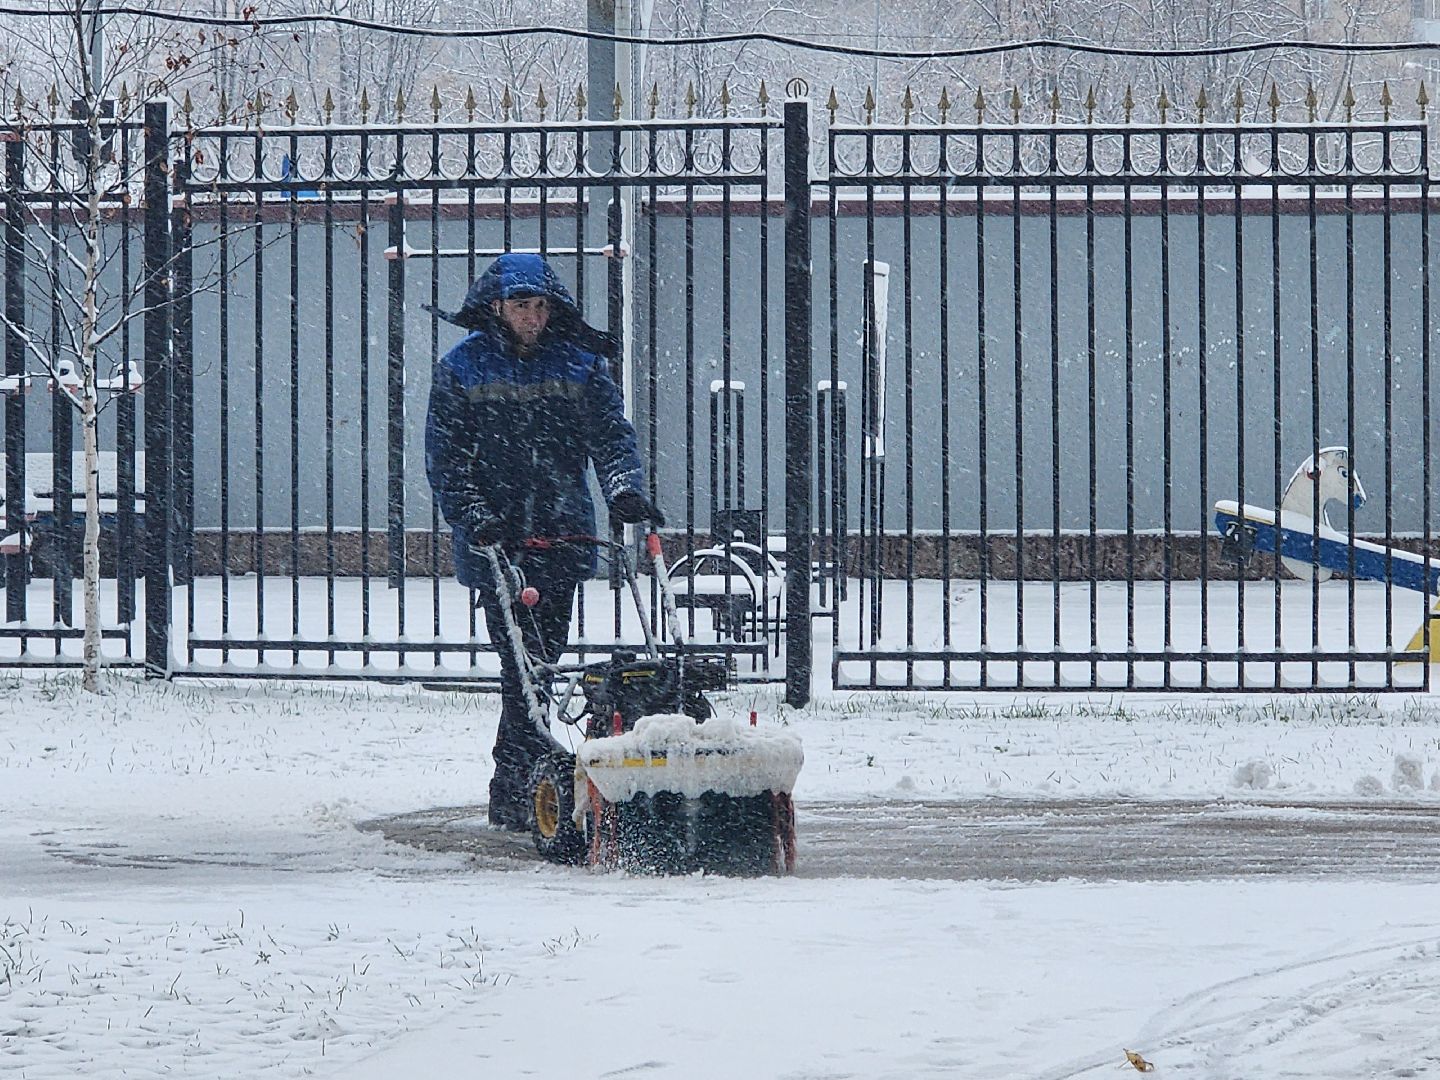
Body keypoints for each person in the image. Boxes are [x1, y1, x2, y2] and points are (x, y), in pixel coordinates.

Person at [424, 253, 662, 830]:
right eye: (522, 305)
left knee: (542, 661)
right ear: (497, 308)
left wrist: (624, 491)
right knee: (521, 667)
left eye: (540, 305)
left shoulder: (578, 367)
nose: (533, 316)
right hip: (499, 542)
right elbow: (447, 459)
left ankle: (519, 779)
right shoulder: (462, 370)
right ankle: (520, 776)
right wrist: (476, 515)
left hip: (563, 530)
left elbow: (610, 436)